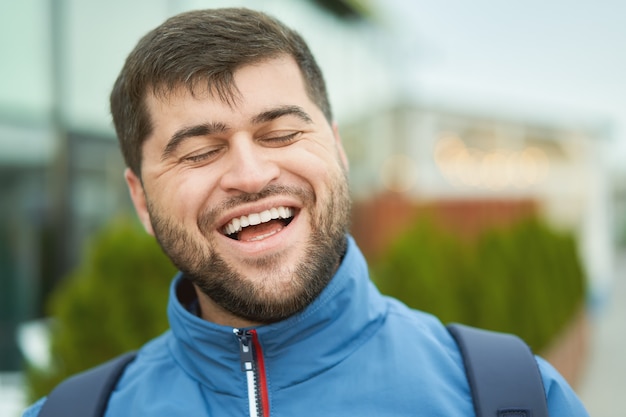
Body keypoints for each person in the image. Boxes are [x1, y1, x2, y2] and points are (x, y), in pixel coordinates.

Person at [24, 7, 589, 416]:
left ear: (338, 150)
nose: (250, 174)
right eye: (200, 151)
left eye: (282, 132)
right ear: (141, 200)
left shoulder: (510, 397)